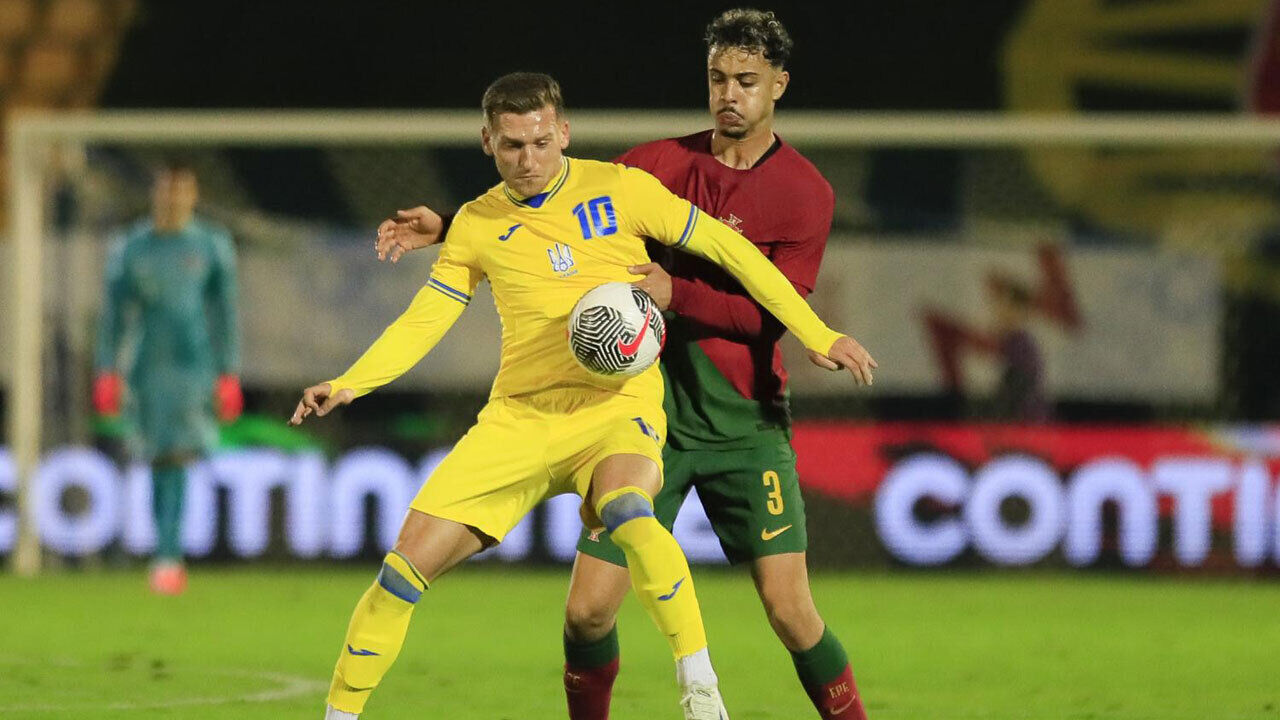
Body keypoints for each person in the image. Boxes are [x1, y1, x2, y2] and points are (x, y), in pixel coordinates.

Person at [296, 71, 875, 720]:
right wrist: (349, 383)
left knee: (630, 510)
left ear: (563, 133)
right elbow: (425, 320)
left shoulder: (623, 189)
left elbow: (730, 250)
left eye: (542, 142)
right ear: (488, 142)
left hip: (616, 410)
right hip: (518, 422)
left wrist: (816, 330)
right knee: (402, 572)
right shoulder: (478, 228)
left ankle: (700, 686)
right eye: (513, 146)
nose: (530, 159)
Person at [94, 162, 243, 596]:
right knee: (159, 457)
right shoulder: (132, 247)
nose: (173, 199)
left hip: (193, 365)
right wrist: (107, 369)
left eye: (182, 191)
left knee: (177, 456)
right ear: (156, 194)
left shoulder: (212, 245)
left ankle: (167, 554)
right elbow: (114, 314)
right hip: (147, 366)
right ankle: (166, 551)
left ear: (193, 196)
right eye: (166, 191)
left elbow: (225, 314)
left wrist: (228, 372)